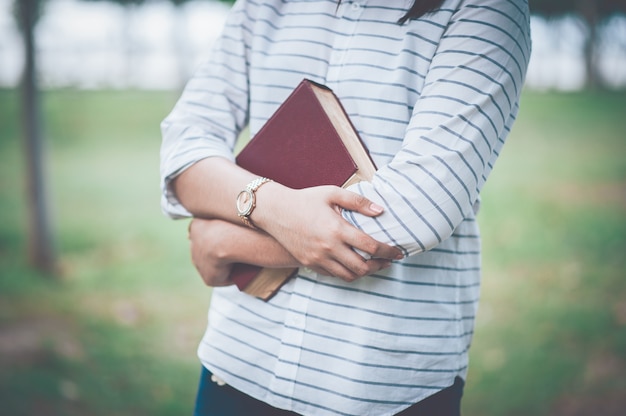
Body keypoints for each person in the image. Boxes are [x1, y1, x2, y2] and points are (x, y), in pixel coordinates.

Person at [160, 0, 531, 414]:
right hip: (238, 363)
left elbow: (414, 212)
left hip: (379, 388)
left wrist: (225, 240)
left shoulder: (485, 9)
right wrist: (269, 204)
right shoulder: (265, 5)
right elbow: (184, 148)